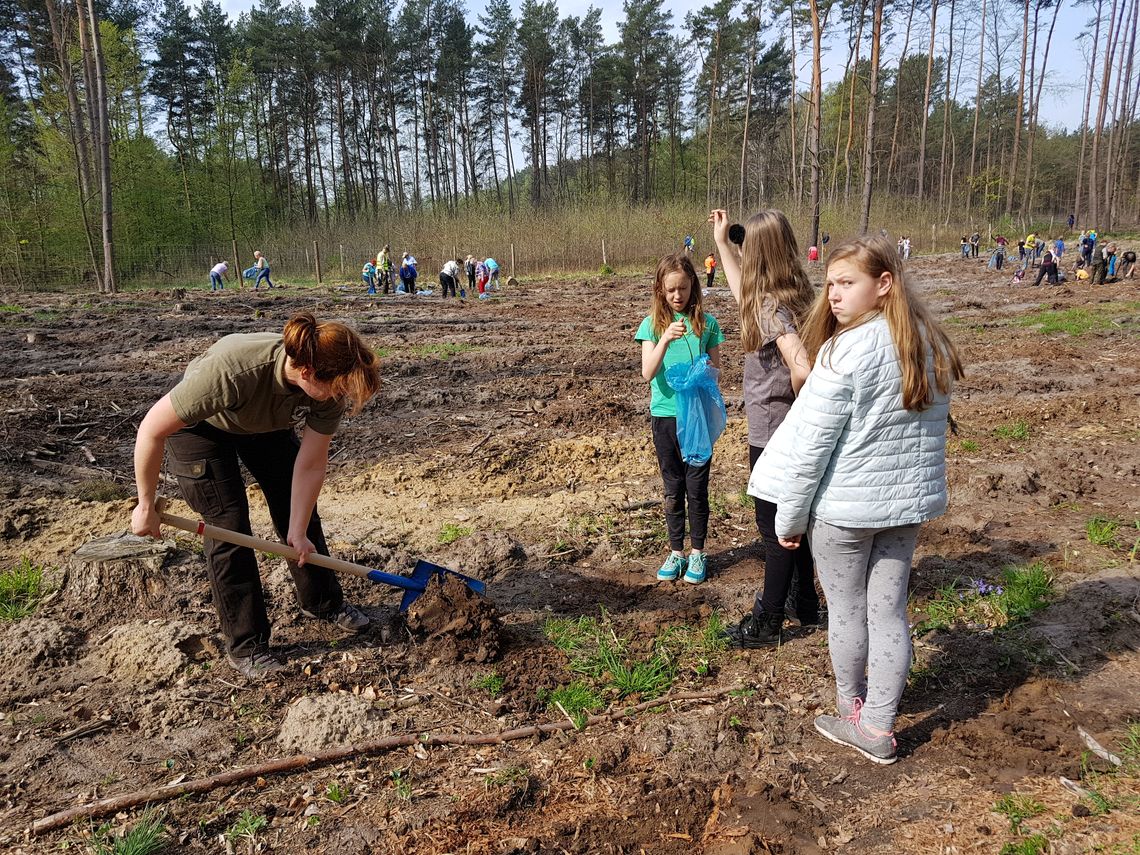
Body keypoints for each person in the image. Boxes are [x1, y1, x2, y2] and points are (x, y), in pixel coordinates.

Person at [749, 234, 964, 764]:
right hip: (904, 509)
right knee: (889, 613)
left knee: (847, 612)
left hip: (844, 514)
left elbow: (809, 449)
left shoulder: (844, 351)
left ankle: (853, 713)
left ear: (884, 285)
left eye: (847, 283)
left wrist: (790, 517)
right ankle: (880, 725)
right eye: (830, 284)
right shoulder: (928, 343)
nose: (834, 295)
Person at [130, 313, 383, 679]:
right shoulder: (233, 370)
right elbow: (151, 429)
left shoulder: (328, 385)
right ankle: (246, 644)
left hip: (265, 427)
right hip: (203, 428)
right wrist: (145, 503)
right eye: (339, 389)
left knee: (300, 513)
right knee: (229, 525)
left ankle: (323, 603)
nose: (341, 397)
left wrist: (297, 530)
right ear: (308, 372)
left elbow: (311, 464)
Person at [710, 208, 820, 647]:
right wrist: (722, 243)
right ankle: (805, 603)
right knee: (794, 520)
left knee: (774, 526)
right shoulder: (789, 296)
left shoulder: (772, 308)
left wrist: (794, 399)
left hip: (775, 432)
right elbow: (744, 297)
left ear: (757, 254)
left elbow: (803, 366)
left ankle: (770, 620)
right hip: (784, 430)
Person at [634, 253, 724, 586]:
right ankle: (676, 552)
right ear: (660, 290)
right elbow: (647, 372)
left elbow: (716, 373)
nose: (677, 296)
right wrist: (665, 339)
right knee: (673, 489)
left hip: (697, 418)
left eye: (683, 288)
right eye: (671, 290)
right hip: (665, 418)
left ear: (693, 287)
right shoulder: (651, 325)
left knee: (697, 488)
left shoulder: (707, 324)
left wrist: (702, 371)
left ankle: (698, 551)